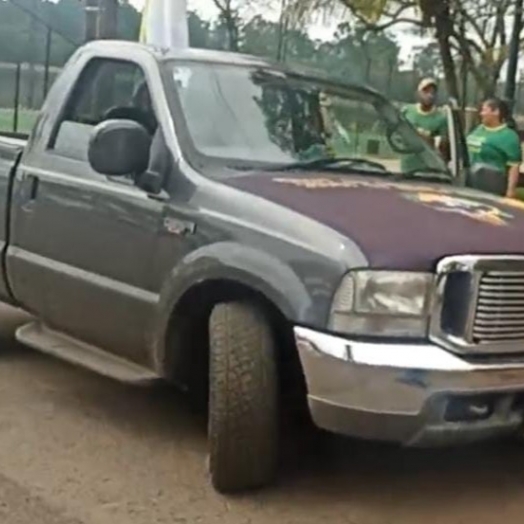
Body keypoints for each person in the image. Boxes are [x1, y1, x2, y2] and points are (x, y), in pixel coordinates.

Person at [466, 97, 522, 198]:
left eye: (484, 110)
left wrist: (510, 191)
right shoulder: (478, 129)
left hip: (491, 188)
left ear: (496, 112)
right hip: (468, 185)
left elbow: (514, 167)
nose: (481, 113)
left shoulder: (509, 137)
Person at [400, 78, 448, 173]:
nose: (429, 95)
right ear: (418, 93)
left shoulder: (441, 117)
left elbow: (443, 146)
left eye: (433, 92)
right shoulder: (407, 111)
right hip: (407, 167)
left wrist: (427, 138)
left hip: (428, 170)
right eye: (425, 91)